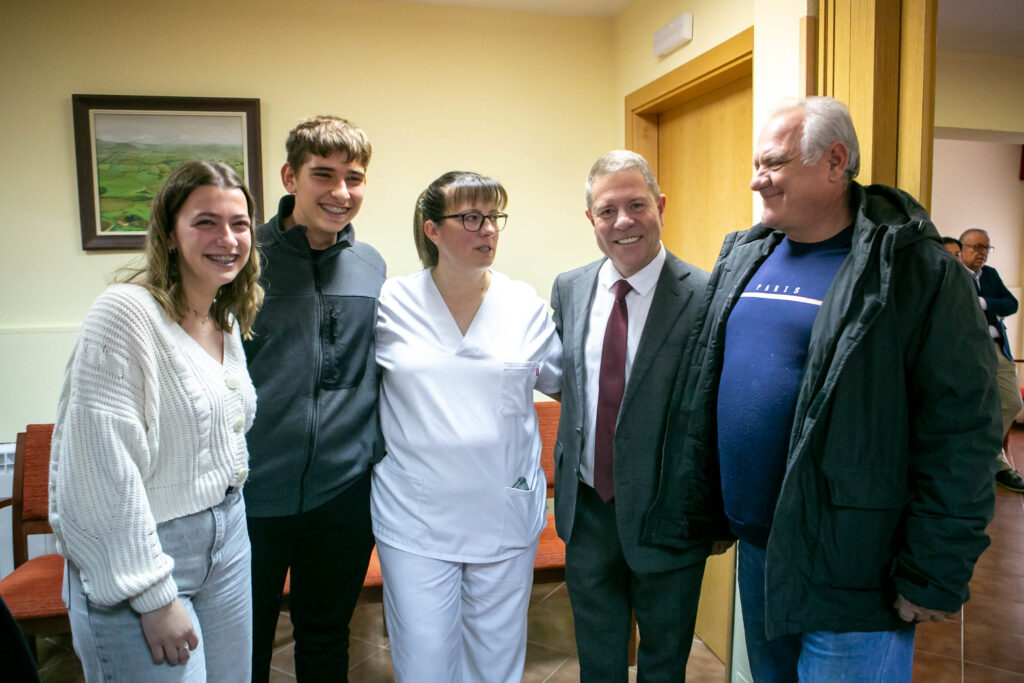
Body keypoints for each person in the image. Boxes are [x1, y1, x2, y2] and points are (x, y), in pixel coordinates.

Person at [645, 96, 1000, 682]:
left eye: (774, 163)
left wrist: (934, 569)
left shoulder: (918, 273)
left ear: (836, 161)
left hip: (855, 565)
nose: (757, 179)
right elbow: (702, 391)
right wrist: (700, 510)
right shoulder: (746, 256)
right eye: (757, 164)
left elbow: (962, 432)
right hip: (761, 553)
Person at [49, 160, 262, 681]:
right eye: (205, 222)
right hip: (144, 553)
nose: (227, 238)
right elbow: (98, 473)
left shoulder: (222, 318)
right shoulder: (125, 314)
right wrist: (151, 593)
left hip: (228, 539)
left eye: (239, 224)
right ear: (169, 234)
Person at [371, 171, 561, 682]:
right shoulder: (390, 303)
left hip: (503, 510)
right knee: (425, 661)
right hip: (416, 517)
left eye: (494, 217)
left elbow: (570, 384)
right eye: (472, 218)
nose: (489, 230)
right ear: (432, 229)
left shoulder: (524, 306)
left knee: (496, 663)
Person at [550, 150, 713, 681]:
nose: (623, 221)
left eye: (636, 205)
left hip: (667, 514)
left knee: (664, 660)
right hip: (588, 510)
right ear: (591, 219)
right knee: (598, 657)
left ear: (660, 205)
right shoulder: (570, 288)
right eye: (607, 210)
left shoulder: (705, 296)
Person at [242, 116, 385, 681]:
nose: (340, 192)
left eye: (354, 178)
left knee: (326, 638)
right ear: (290, 177)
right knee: (245, 642)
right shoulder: (243, 260)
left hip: (342, 494)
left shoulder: (371, 266)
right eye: (323, 174)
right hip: (252, 493)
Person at [958, 228, 1024, 493]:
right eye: (976, 247)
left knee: (1012, 402)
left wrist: (984, 302)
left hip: (998, 348)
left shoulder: (991, 275)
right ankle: (993, 462)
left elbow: (1011, 304)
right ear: (962, 249)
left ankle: (987, 453)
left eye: (986, 248)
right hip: (969, 351)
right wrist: (992, 309)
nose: (982, 253)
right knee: (976, 406)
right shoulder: (953, 275)